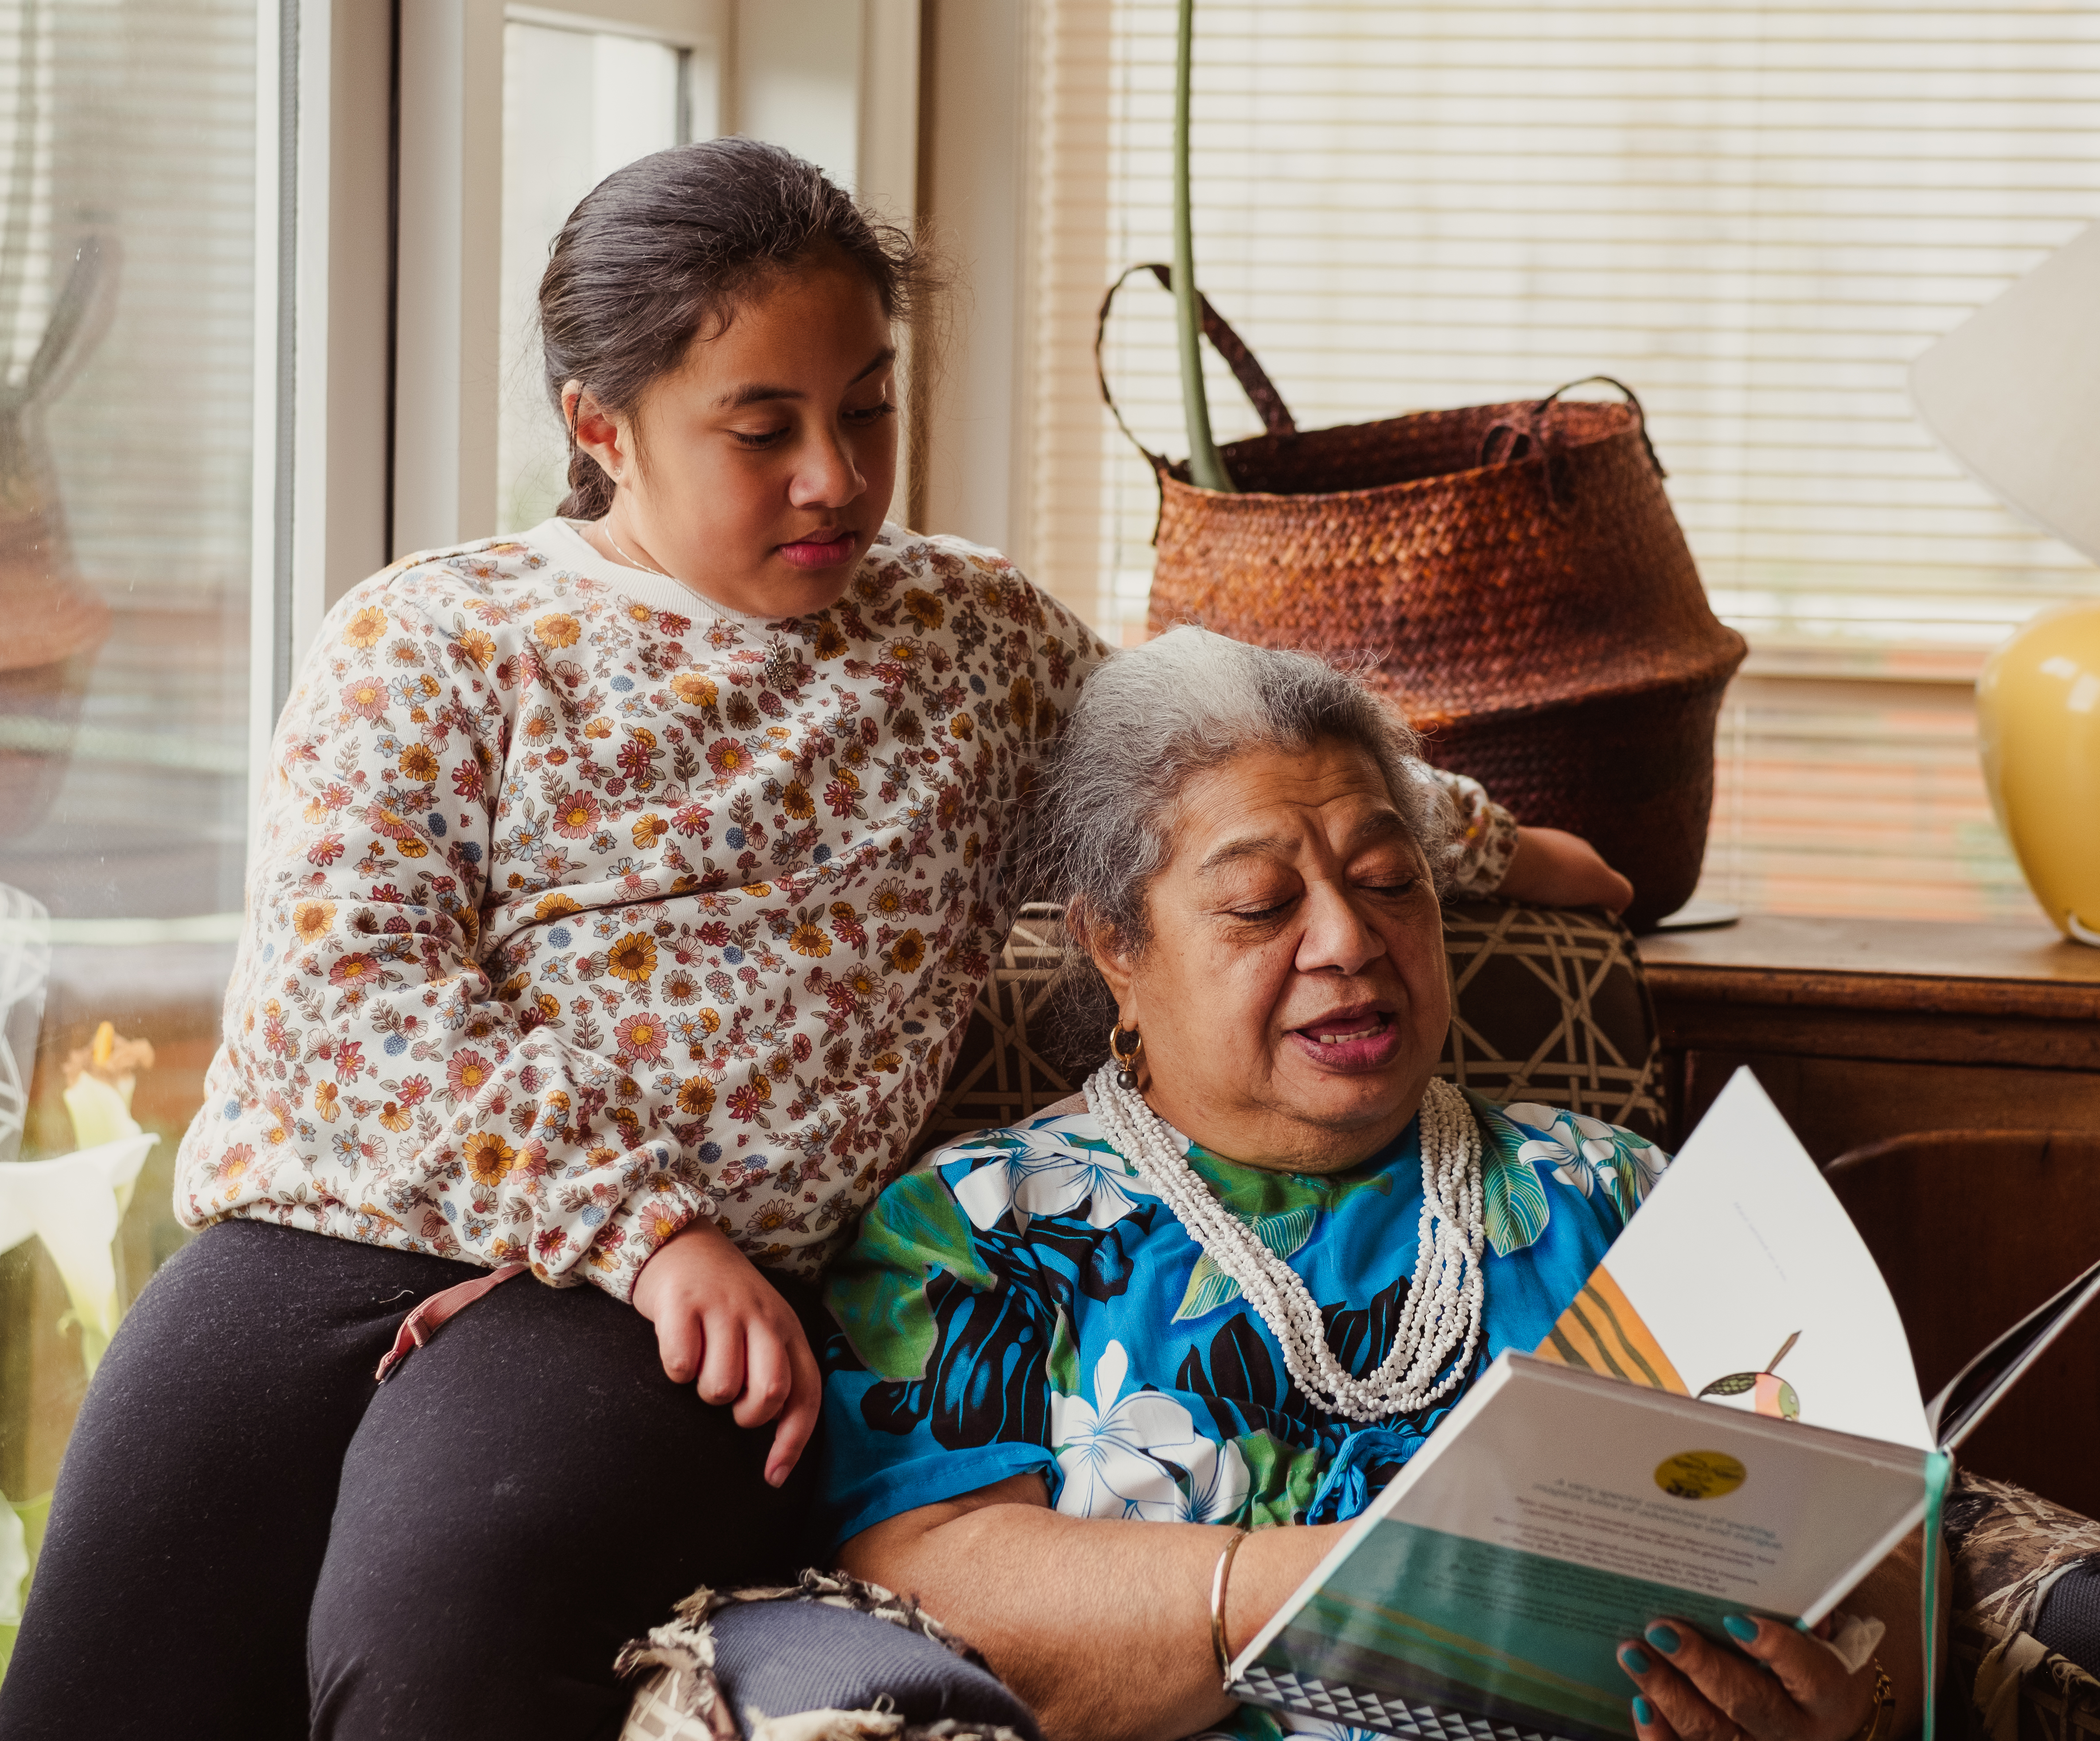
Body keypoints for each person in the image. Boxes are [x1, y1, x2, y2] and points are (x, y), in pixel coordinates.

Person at [0, 142, 1627, 1739]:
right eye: (762, 428)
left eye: (867, 405)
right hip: (334, 1241)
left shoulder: (966, 637)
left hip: (663, 1327)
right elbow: (356, 997)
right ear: (600, 426)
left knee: (433, 1641)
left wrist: (1473, 838)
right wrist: (637, 1218)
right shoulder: (432, 639)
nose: (835, 475)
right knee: (103, 1679)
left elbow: (1204, 767)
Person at [815, 628, 1933, 1741]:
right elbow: (933, 1592)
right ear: (1116, 943)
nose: (1349, 937)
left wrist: (1858, 1705)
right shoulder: (975, 1228)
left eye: (1392, 881)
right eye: (1260, 902)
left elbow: (1873, 1535)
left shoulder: (1620, 1187)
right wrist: (1380, 1583)